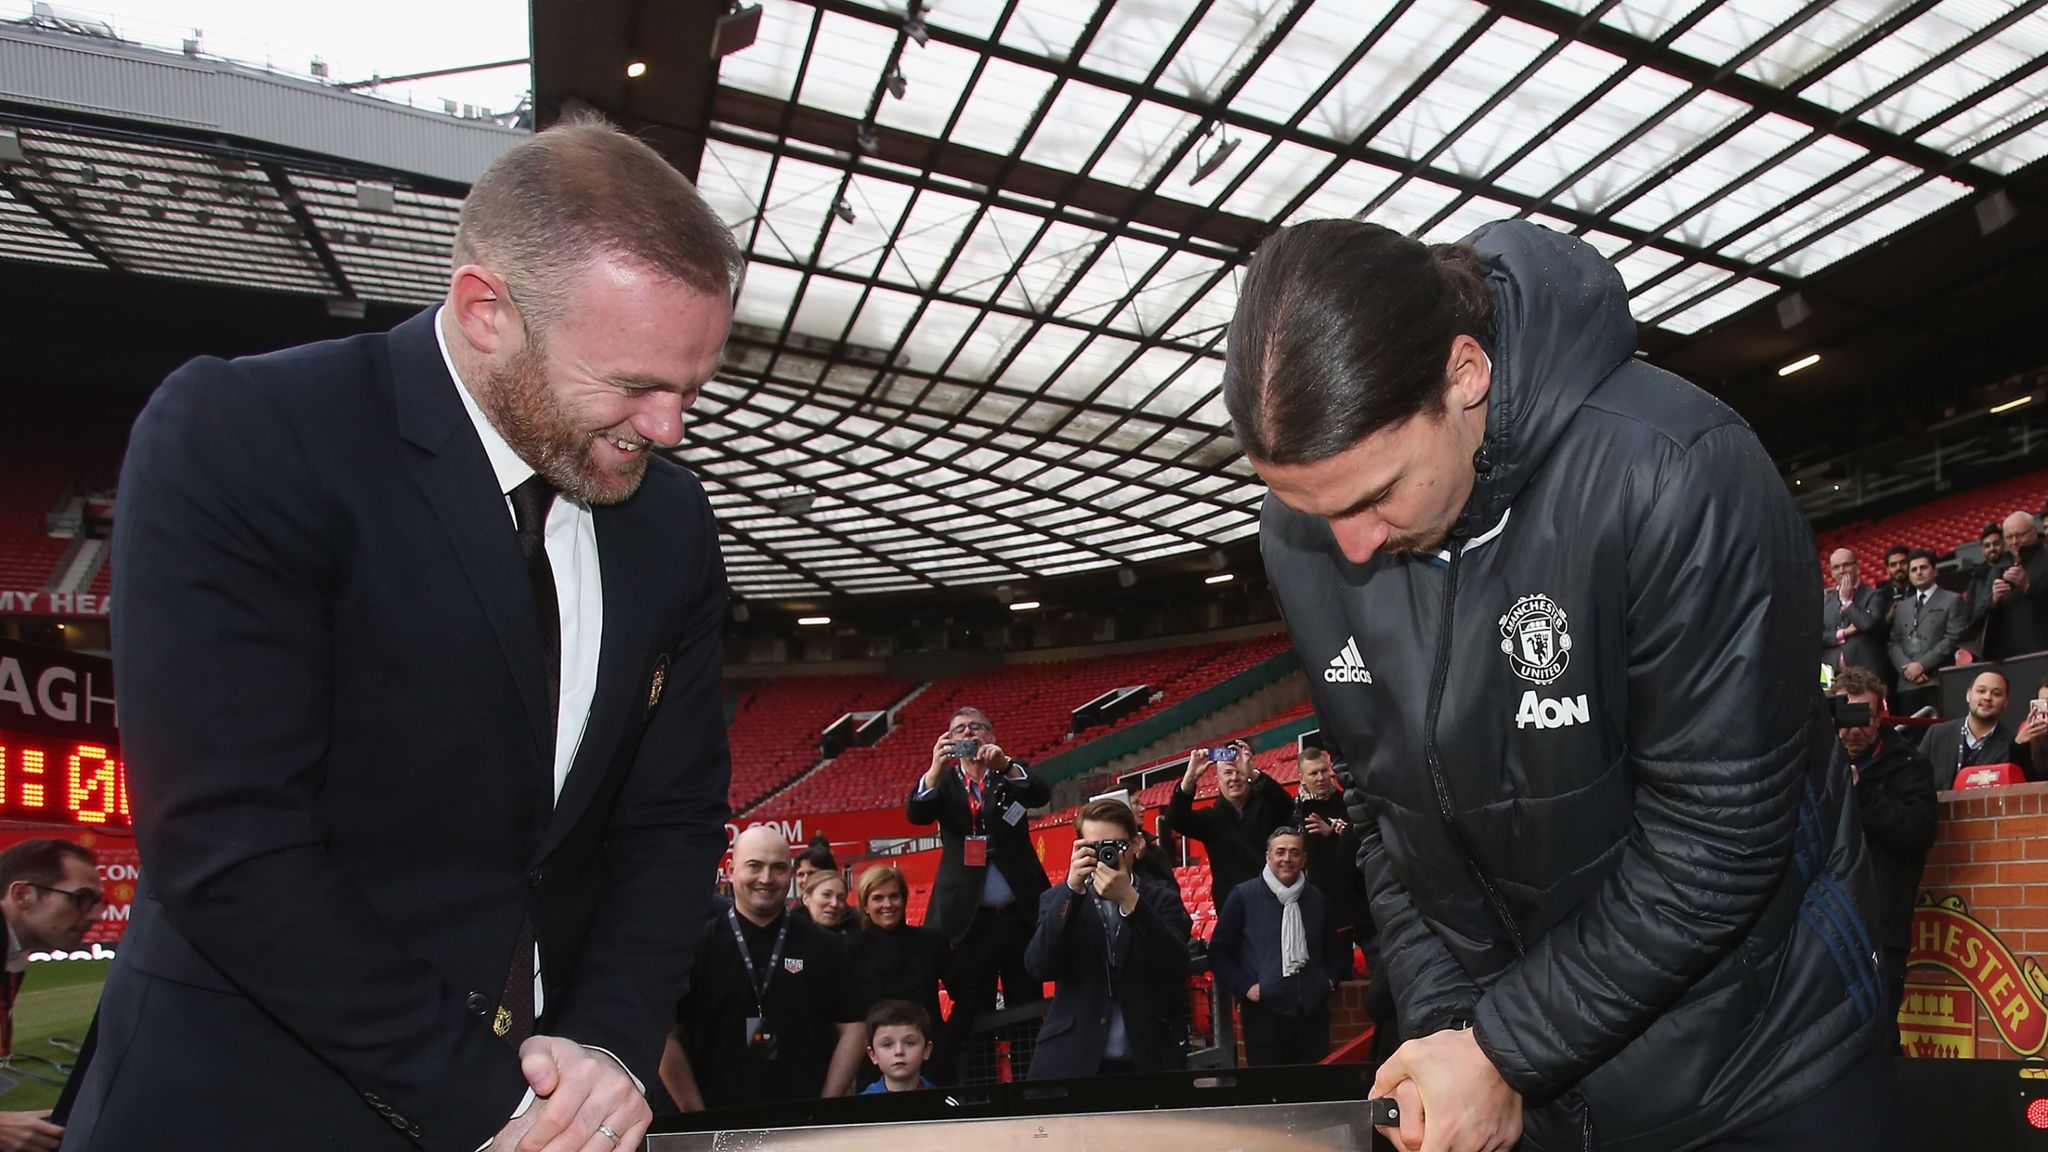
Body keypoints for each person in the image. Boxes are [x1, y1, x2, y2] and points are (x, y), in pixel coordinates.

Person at [69, 116, 741, 1152]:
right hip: (247, 1114)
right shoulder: (251, 433)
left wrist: (604, 1053)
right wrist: (493, 1102)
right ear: (485, 312)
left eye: (690, 388)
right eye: (633, 384)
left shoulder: (670, 523)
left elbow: (672, 820)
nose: (667, 429)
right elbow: (229, 841)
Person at [1232, 219, 1891, 1151]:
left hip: (1756, 1069)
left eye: (1376, 494)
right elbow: (1387, 819)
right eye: (1308, 509)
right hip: (1524, 1083)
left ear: (1466, 375)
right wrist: (1457, 1037)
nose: (1348, 546)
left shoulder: (1676, 471)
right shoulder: (1307, 530)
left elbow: (1719, 838)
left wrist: (1501, 1047)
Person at [661, 828, 866, 1111]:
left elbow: (853, 1027)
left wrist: (824, 1108)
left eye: (778, 868)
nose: (766, 879)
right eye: (754, 866)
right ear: (731, 870)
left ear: (792, 873)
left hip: (804, 1122)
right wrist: (696, 1115)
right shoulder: (695, 948)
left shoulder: (824, 946)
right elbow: (664, 1035)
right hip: (719, 1120)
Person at [1024, 798, 1191, 1080]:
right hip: (1073, 1061)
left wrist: (1131, 902)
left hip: (1146, 1059)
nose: (1107, 854)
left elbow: (1176, 965)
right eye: (1094, 847)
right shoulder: (1057, 900)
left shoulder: (1162, 899)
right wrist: (1072, 890)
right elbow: (1040, 967)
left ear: (1137, 844)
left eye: (1116, 846)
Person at [906, 707, 1050, 1030]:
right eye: (960, 730)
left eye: (976, 727)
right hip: (970, 923)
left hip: (1019, 917)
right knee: (975, 1009)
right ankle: (978, 1079)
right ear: (949, 741)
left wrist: (1008, 765)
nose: (969, 733)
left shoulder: (1009, 773)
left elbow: (1041, 794)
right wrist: (933, 770)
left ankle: (1029, 1079)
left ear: (992, 735)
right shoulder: (942, 783)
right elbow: (916, 814)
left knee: (1027, 1006)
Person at [1829, 667, 1936, 1047]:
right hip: (1823, 925)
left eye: (1863, 718)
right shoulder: (1816, 767)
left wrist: (1861, 795)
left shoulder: (1910, 765)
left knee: (1876, 1035)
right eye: (1845, 717)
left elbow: (1918, 832)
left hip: (1879, 924)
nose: (1853, 729)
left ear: (1880, 717)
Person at [1208, 828, 1348, 1067]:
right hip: (1264, 1015)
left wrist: (1327, 982)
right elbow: (1219, 952)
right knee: (1269, 1092)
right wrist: (1247, 988)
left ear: (1304, 859)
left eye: (1295, 853)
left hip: (1312, 1015)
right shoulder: (1243, 896)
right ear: (1268, 857)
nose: (1287, 859)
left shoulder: (1317, 899)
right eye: (1280, 852)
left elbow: (1335, 951)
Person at [0, 839, 101, 1152]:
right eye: (81, 898)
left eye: (98, 902)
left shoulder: (11, 954)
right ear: (22, 895)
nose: (94, 915)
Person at [844, 866, 954, 1085]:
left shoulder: (931, 943)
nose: (887, 905)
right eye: (878, 898)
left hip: (929, 1060)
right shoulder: (850, 948)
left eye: (894, 896)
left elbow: (967, 991)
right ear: (865, 905)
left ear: (904, 899)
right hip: (874, 1065)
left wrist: (948, 1037)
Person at [1166, 739, 1292, 898]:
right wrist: (1190, 778)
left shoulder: (1267, 805)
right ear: (1218, 779)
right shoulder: (1210, 818)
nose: (1234, 778)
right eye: (1228, 772)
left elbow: (1287, 806)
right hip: (1232, 904)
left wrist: (1253, 774)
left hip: (1271, 897)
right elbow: (1175, 819)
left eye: (1239, 771)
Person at [1921, 668, 2038, 786]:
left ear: (2005, 702)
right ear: (1968, 695)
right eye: (1981, 691)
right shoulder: (1937, 734)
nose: (1987, 697)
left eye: (1996, 694)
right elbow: (1916, 779)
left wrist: (2020, 745)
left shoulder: (2011, 745)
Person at [1887, 549, 1964, 712]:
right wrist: (1907, 667)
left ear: (1934, 571)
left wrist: (1922, 666)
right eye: (1914, 570)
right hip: (1907, 684)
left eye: (1923, 567)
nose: (1918, 572)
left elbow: (1952, 638)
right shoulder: (1902, 607)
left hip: (1937, 680)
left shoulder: (1952, 600)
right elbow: (1894, 642)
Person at [1984, 511, 2048, 659]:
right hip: (2008, 652)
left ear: (2034, 532)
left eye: (2020, 535)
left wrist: (2027, 585)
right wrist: (1994, 599)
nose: (2014, 541)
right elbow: (1980, 610)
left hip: (2042, 646)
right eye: (2009, 537)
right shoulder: (1999, 567)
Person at [1823, 548, 1891, 681]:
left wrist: (1846, 601)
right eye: (1836, 567)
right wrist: (1843, 633)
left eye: (1846, 565)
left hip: (1865, 672)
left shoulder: (1874, 595)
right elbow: (1817, 636)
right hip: (1830, 673)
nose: (1842, 570)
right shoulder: (1824, 602)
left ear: (1857, 566)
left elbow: (1867, 624)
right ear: (1831, 572)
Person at [859, 1001, 939, 1094]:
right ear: (873, 1055)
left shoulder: (942, 1101)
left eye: (910, 1043)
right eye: (887, 1045)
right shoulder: (862, 1106)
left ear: (927, 1050)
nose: (899, 1051)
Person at [1963, 522, 2006, 654]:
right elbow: (1969, 613)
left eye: (1996, 543)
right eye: (1987, 545)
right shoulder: (1976, 577)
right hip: (1985, 640)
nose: (1992, 548)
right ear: (1982, 549)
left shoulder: (2011, 568)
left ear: (2003, 544)